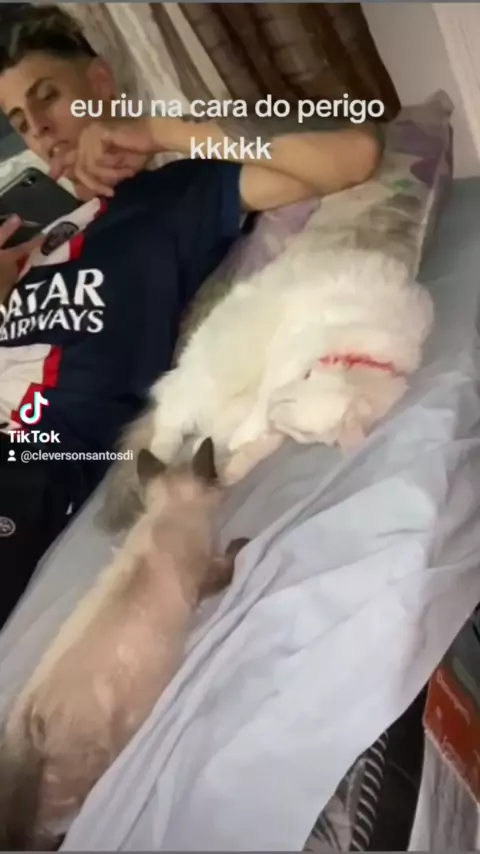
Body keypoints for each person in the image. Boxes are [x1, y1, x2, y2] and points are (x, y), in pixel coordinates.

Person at [0, 5, 382, 628]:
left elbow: (354, 153)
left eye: (49, 97)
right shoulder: (37, 242)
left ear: (100, 84)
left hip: (39, 456)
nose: (39, 128)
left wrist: (158, 131)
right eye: (20, 121)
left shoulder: (173, 196)